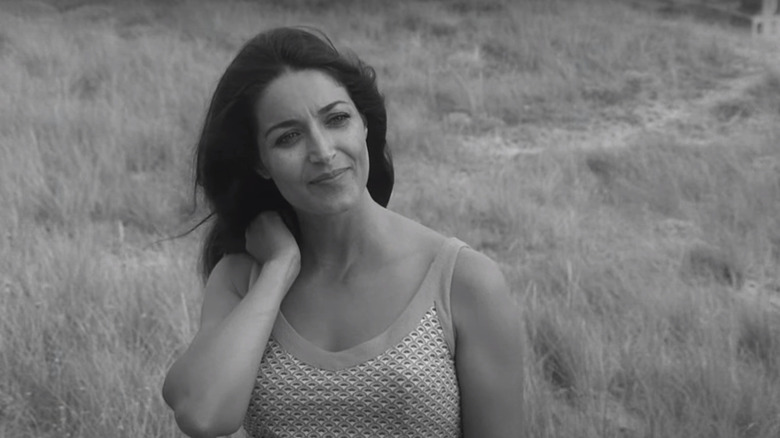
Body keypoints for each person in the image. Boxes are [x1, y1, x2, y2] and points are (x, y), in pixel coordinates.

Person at [162, 26, 526, 438]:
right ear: (261, 163)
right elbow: (202, 415)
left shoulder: (462, 282)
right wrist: (279, 269)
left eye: (336, 119)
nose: (322, 151)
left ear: (364, 126)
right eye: (288, 137)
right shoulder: (241, 280)